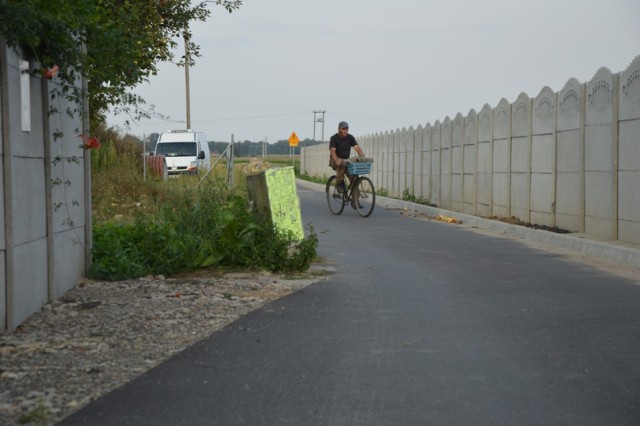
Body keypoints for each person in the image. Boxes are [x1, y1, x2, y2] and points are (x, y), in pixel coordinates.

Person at [329, 121, 365, 193]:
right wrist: (337, 161)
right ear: (339, 129)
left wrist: (363, 157)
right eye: (343, 129)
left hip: (346, 160)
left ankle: (355, 198)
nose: (345, 131)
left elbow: (357, 148)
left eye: (347, 129)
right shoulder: (334, 138)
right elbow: (332, 151)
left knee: (353, 176)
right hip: (334, 159)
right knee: (342, 163)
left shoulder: (350, 137)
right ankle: (339, 184)